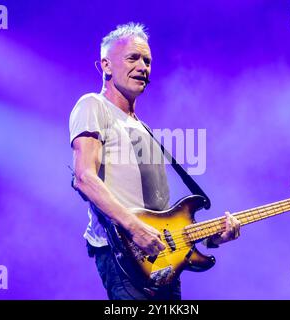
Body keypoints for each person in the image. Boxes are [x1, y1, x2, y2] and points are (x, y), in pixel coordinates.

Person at [69, 22, 241, 300]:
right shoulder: (93, 105)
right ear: (106, 66)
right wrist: (135, 228)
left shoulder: (144, 128)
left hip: (163, 261)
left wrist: (212, 238)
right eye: (133, 58)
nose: (143, 66)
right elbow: (84, 178)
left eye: (147, 60)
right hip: (124, 257)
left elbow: (163, 219)